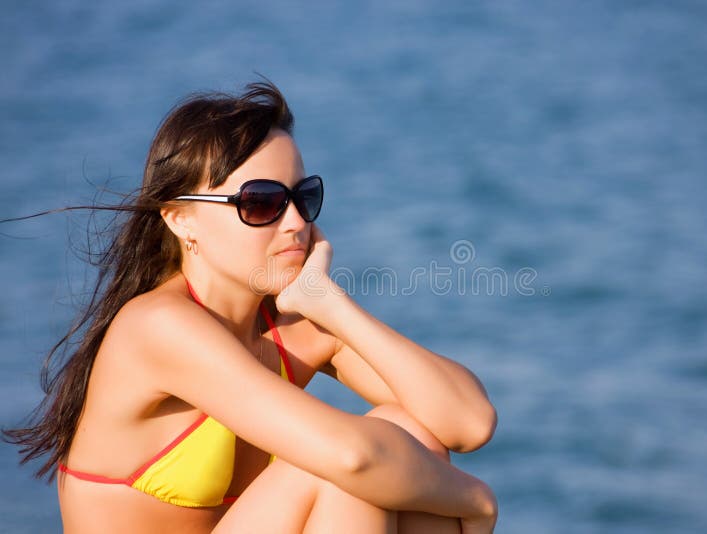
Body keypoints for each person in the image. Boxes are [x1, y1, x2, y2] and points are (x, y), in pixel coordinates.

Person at [2, 80, 498, 533]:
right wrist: (474, 501)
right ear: (180, 220)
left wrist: (333, 306)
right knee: (337, 464)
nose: (294, 223)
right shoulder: (158, 328)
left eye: (304, 198)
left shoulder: (294, 323)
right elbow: (350, 459)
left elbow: (467, 423)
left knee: (405, 433)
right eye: (260, 202)